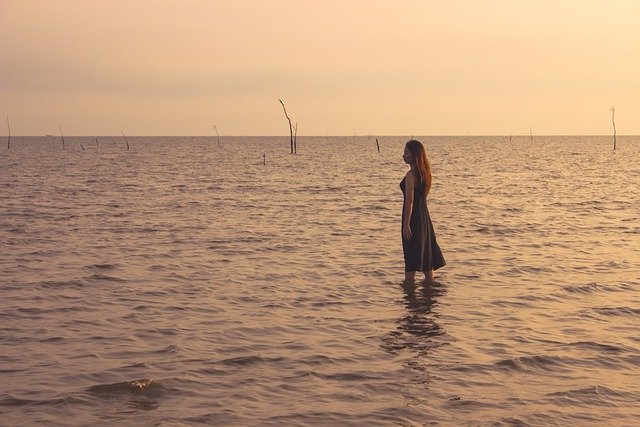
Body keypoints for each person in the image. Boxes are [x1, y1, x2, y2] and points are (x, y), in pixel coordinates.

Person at [400, 139, 446, 282]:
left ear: (414, 155)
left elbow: (410, 201)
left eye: (406, 153)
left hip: (414, 219)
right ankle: (429, 293)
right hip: (425, 219)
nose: (403, 156)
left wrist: (406, 224)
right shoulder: (425, 173)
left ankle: (409, 293)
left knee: (411, 258)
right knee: (427, 257)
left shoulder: (411, 175)